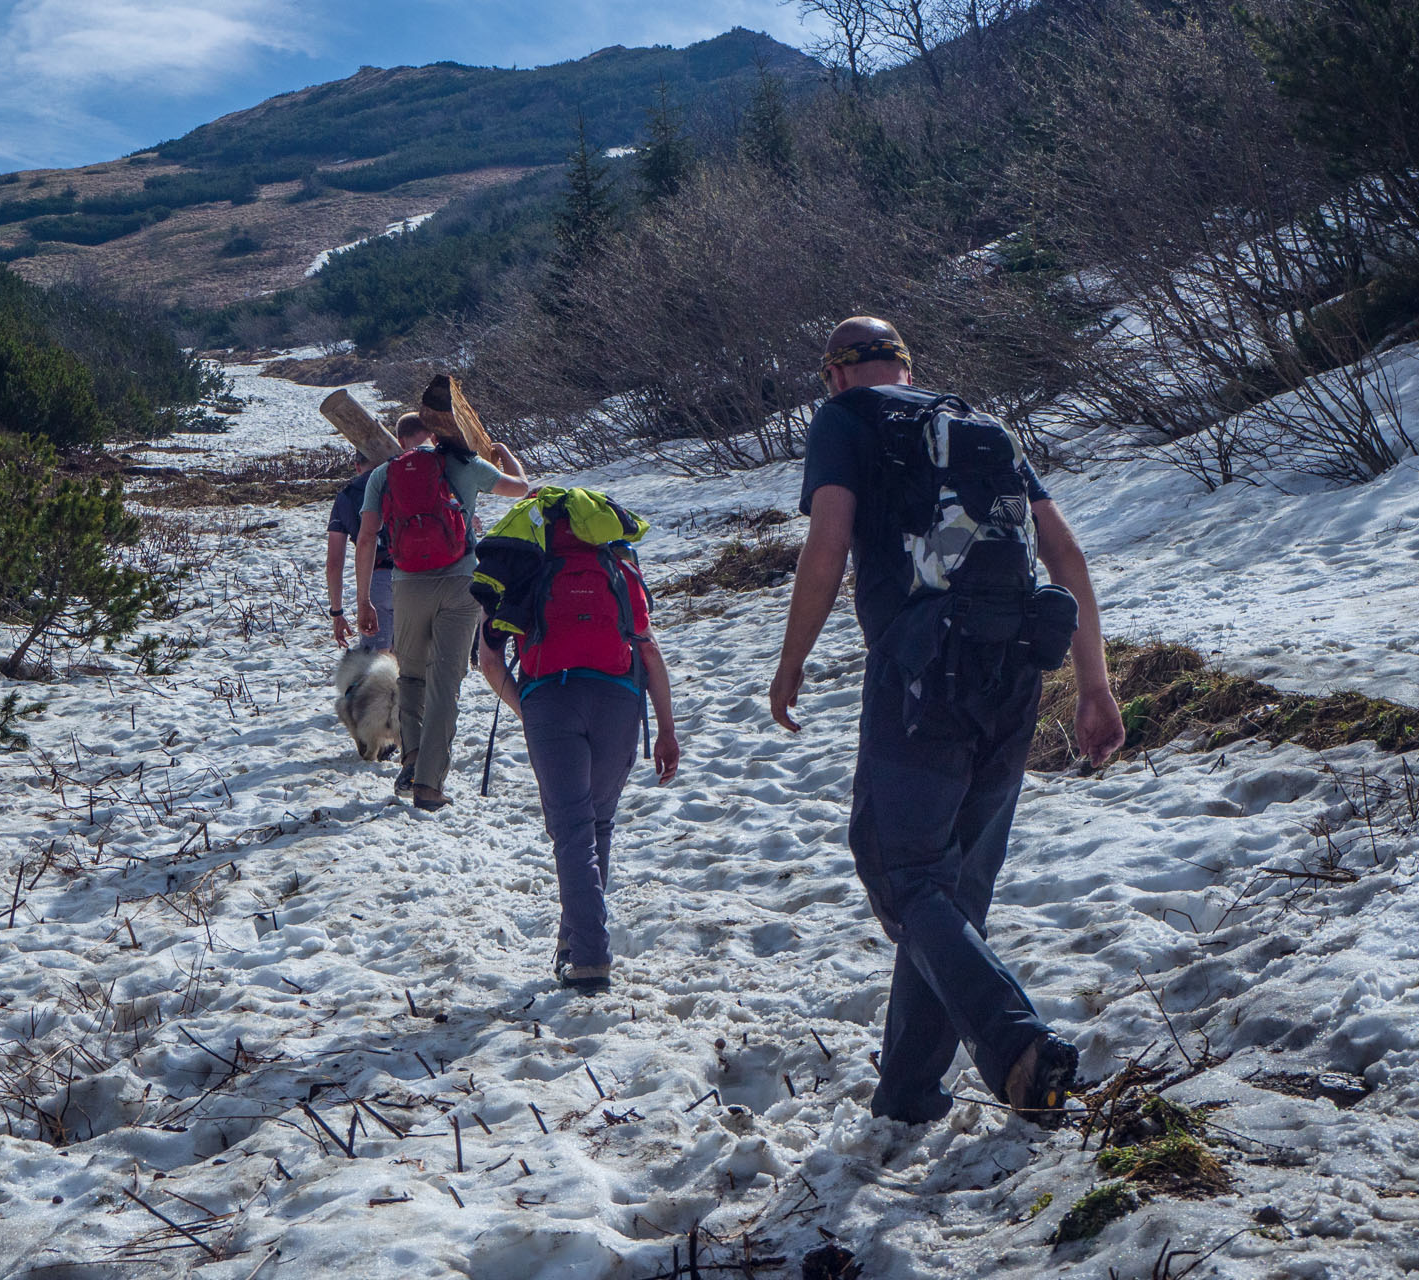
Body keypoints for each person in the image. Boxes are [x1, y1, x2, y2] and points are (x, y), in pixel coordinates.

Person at [767, 316, 1125, 1128]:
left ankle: (1014, 1043)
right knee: (953, 883)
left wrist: (791, 662)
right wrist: (1094, 684)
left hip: (924, 671)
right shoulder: (977, 422)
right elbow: (1063, 552)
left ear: (833, 373)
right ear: (907, 364)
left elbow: (827, 542)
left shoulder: (845, 418)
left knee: (901, 872)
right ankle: (907, 1093)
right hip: (1015, 666)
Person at [476, 496, 679, 991]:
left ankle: (589, 956)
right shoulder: (619, 571)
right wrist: (668, 730)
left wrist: (530, 711)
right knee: (598, 823)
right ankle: (573, 941)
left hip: (551, 698)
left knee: (571, 831)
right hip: (619, 700)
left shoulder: (526, 573)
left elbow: (487, 659)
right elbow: (648, 650)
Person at [356, 411, 531, 811]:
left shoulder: (385, 474)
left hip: (406, 584)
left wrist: (363, 600)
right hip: (459, 584)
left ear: (400, 440)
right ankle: (429, 785)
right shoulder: (465, 464)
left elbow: (366, 538)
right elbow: (521, 489)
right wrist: (505, 454)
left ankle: (414, 756)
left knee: (412, 678)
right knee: (445, 684)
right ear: (435, 434)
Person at [326, 453, 393, 651]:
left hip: (375, 583)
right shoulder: (402, 483)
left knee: (376, 665)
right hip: (413, 578)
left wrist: (337, 612)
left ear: (357, 466)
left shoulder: (346, 496)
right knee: (410, 666)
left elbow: (334, 563)